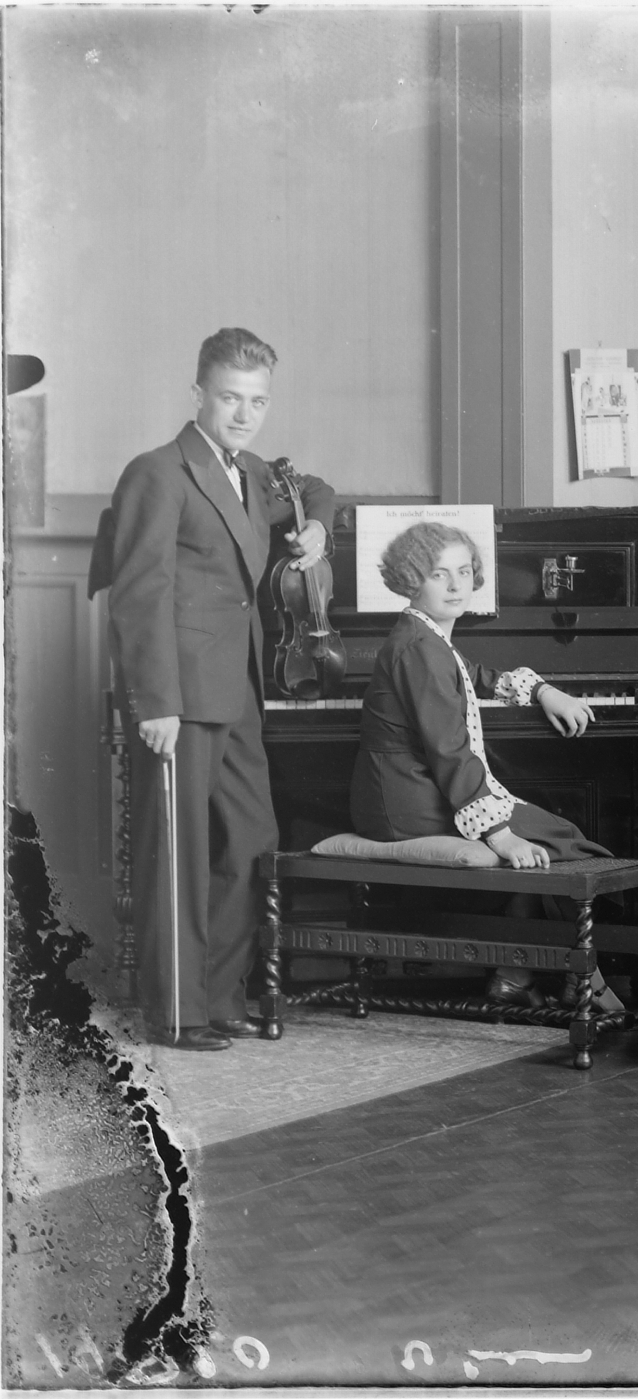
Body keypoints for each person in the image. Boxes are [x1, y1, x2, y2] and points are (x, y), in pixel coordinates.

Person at [107, 328, 333, 1049]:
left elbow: (315, 491)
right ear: (198, 393)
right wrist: (156, 704)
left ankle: (220, 995)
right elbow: (139, 595)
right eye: (230, 398)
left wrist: (318, 528)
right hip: (177, 696)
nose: (244, 414)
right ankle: (177, 1012)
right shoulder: (158, 472)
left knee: (250, 840)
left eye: (257, 401)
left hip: (237, 690)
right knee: (176, 851)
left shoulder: (253, 472)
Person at [350, 521, 615, 1009]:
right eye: (438, 574)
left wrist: (541, 690)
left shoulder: (425, 636)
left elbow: (471, 675)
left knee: (551, 836)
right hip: (403, 803)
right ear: (410, 580)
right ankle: (574, 978)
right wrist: (498, 833)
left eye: (464, 571)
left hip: (406, 791)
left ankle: (519, 975)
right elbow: (449, 750)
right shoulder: (420, 647)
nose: (456, 585)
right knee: (560, 837)